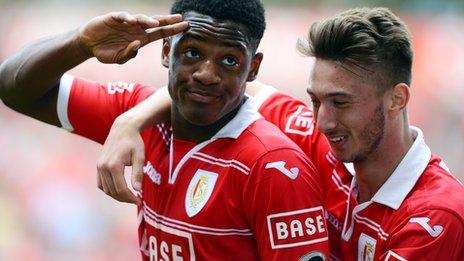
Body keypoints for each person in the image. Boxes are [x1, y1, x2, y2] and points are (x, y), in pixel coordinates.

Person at [98, 7, 464, 260]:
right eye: (315, 100)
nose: (323, 120)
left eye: (340, 102)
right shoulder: (318, 135)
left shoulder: (435, 217)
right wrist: (131, 120)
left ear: (397, 99)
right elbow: (220, 89)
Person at [0, 0, 330, 260]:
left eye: (229, 60)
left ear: (253, 68)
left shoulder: (273, 166)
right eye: (192, 53)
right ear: (165, 51)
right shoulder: (135, 113)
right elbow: (15, 88)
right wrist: (81, 44)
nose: (206, 73)